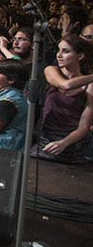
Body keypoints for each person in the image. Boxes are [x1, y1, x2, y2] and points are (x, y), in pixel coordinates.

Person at [34, 35, 93, 163]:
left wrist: (64, 143)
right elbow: (65, 85)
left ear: (80, 56)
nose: (59, 55)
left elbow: (83, 127)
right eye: (58, 50)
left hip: (71, 142)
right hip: (45, 137)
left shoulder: (90, 86)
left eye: (66, 51)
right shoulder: (51, 70)